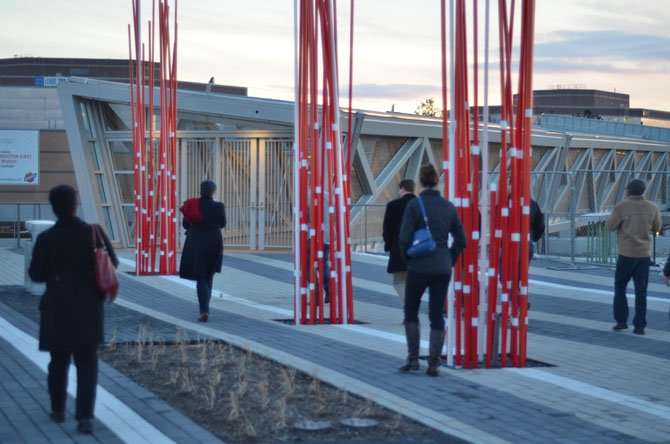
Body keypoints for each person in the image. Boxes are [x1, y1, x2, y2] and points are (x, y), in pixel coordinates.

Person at [28, 185, 118, 434]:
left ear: (54, 209)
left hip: (56, 306)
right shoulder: (93, 233)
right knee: (87, 363)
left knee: (58, 361)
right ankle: (85, 418)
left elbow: (35, 274)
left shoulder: (46, 239)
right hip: (89, 306)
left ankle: (58, 410)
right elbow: (113, 262)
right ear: (75, 205)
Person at [397, 164, 466, 376]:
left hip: (418, 267)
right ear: (437, 181)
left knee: (411, 310)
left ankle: (413, 359)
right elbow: (462, 240)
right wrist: (450, 259)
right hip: (442, 268)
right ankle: (434, 363)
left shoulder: (415, 206)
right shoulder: (448, 207)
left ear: (420, 182)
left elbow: (404, 238)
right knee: (437, 314)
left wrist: (408, 259)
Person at [606, 178, 662, 335]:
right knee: (641, 291)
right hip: (644, 255)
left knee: (620, 286)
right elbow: (658, 227)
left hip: (626, 254)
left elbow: (610, 225)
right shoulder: (652, 207)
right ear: (643, 191)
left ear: (630, 191)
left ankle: (621, 322)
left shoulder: (621, 207)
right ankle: (640, 326)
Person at [179, 180, 227, 322]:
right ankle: (206, 308)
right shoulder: (219, 206)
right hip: (214, 242)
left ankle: (203, 310)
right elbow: (223, 223)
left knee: (200, 277)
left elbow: (185, 223)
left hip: (196, 242)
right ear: (213, 191)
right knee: (209, 274)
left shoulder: (193, 204)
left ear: (200, 190)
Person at [383, 179, 416, 307]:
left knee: (399, 281)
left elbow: (387, 229)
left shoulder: (393, 205)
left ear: (402, 189)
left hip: (400, 250)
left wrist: (388, 245)